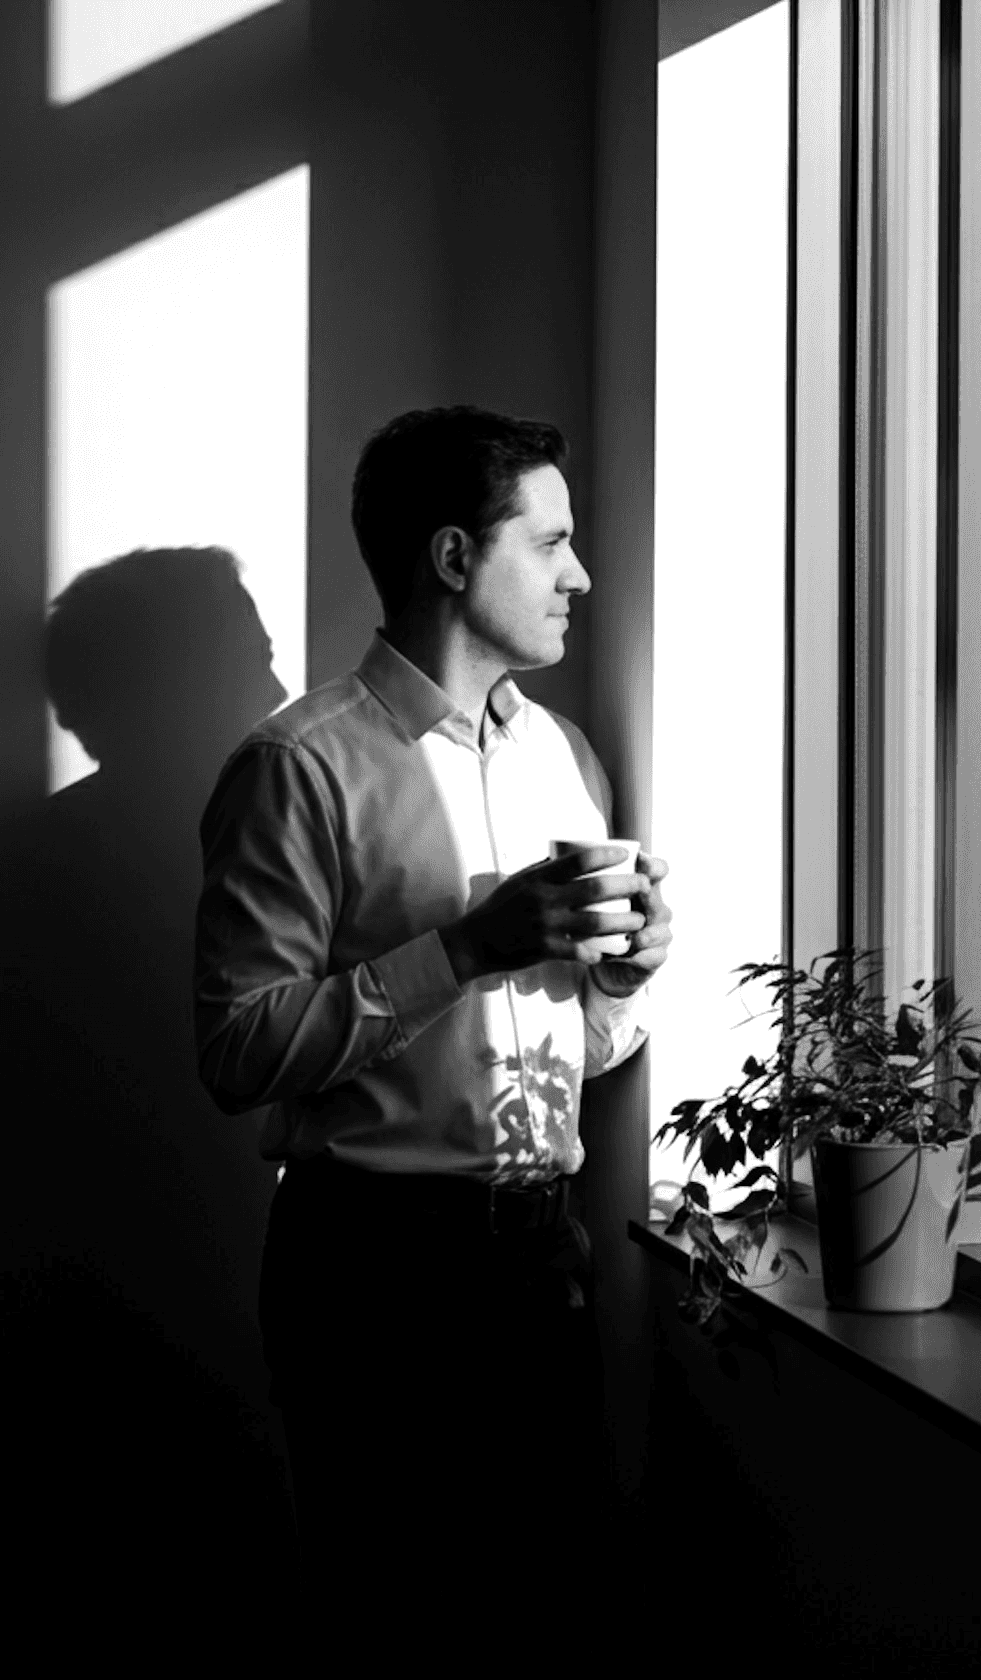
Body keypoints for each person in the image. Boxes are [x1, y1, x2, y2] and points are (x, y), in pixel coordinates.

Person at [193, 406, 671, 1650]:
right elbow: (238, 1052)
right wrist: (463, 948)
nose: (582, 576)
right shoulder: (297, 769)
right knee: (396, 1621)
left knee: (545, 1619)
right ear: (455, 558)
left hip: (542, 1262)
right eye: (553, 542)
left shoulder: (565, 759)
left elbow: (587, 1045)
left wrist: (624, 978)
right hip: (371, 1272)